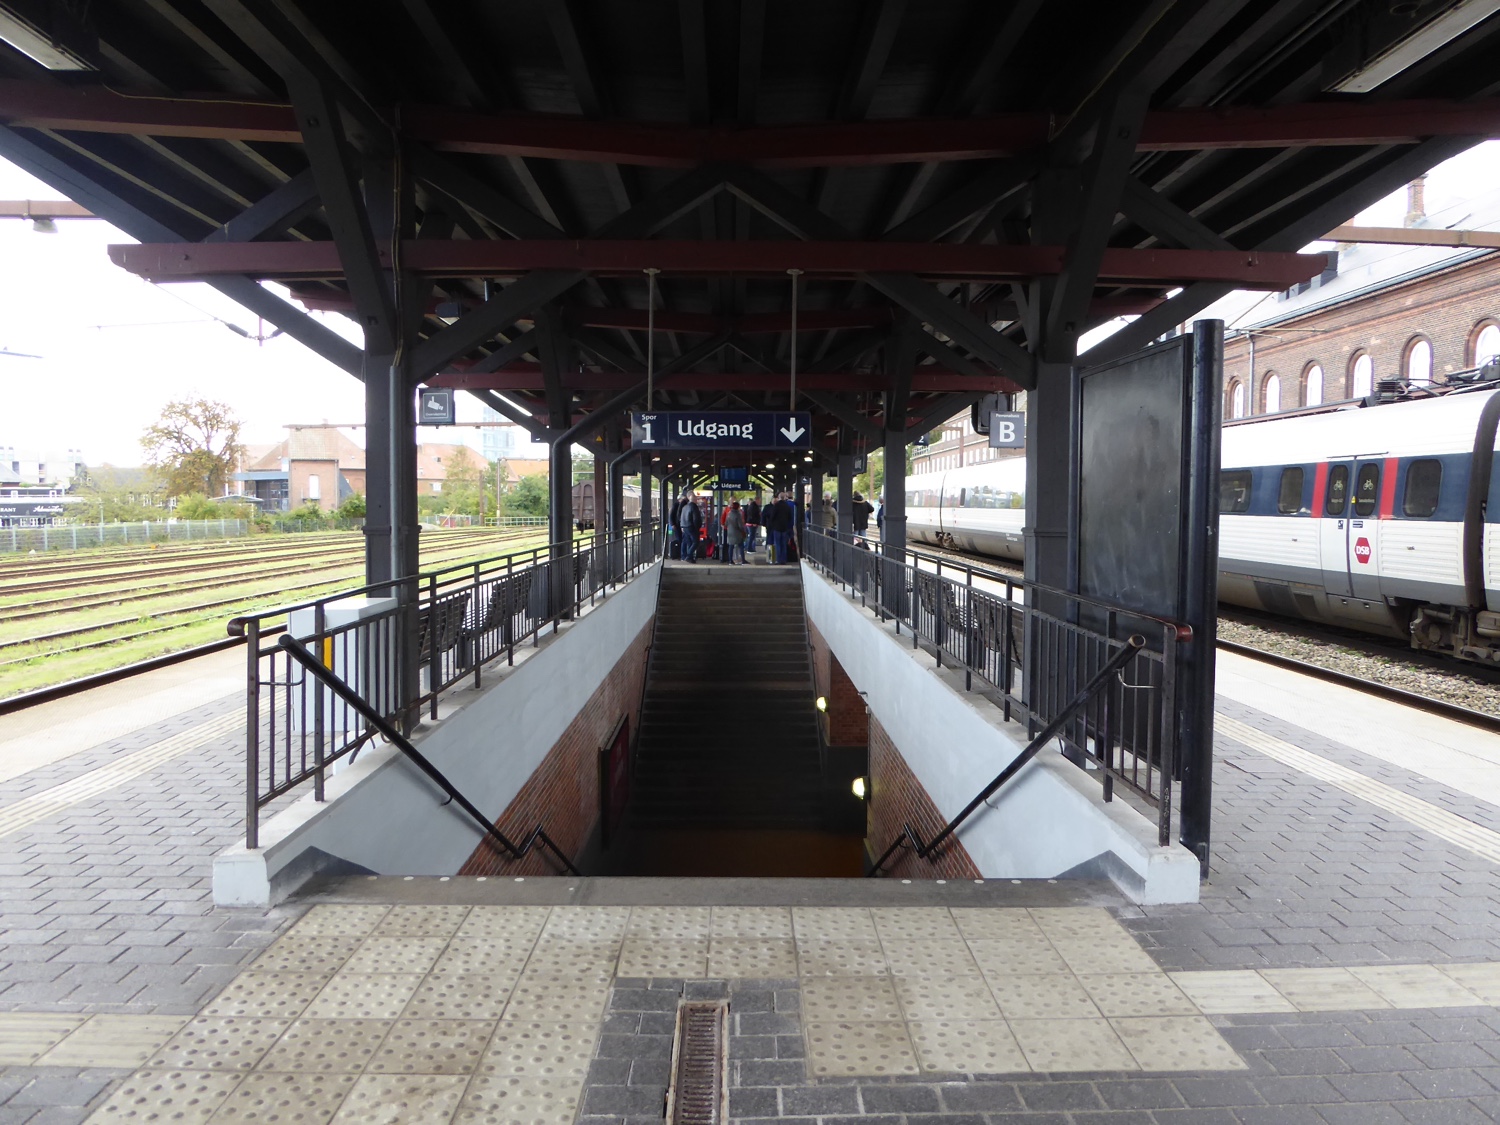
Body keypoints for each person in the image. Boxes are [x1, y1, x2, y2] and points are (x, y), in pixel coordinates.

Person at [767, 491, 795, 564]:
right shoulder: (787, 506)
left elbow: (772, 517)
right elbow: (790, 517)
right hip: (785, 528)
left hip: (777, 528)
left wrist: (772, 524)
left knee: (777, 544)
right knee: (783, 544)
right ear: (784, 497)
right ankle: (784, 559)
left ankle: (778, 559)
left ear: (779, 497)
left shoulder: (776, 506)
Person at [678, 494, 702, 561]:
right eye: (696, 499)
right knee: (695, 542)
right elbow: (696, 519)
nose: (697, 501)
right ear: (694, 500)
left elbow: (681, 517)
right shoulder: (694, 507)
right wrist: (698, 527)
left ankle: (690, 558)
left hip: (684, 527)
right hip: (691, 527)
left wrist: (681, 526)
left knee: (689, 542)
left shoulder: (685, 507)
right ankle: (689, 556)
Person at [723, 500, 747, 564]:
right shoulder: (738, 514)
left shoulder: (729, 514)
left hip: (730, 532)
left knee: (731, 547)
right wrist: (743, 530)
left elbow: (725, 523)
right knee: (741, 546)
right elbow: (740, 525)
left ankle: (730, 560)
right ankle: (743, 560)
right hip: (737, 533)